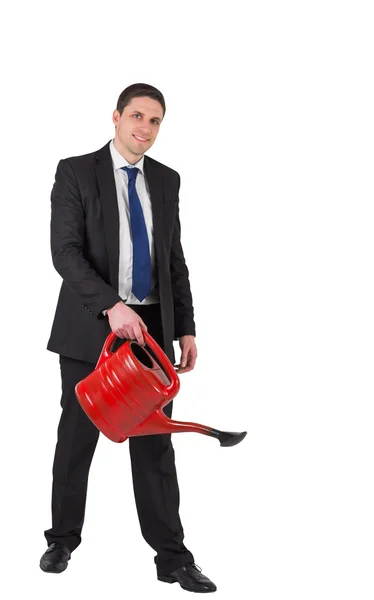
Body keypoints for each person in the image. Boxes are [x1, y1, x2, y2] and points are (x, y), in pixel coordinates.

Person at [39, 83, 217, 593]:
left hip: (151, 333)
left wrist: (185, 325)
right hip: (91, 325)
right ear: (116, 116)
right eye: (137, 116)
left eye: (156, 121)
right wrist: (112, 307)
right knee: (77, 437)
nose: (145, 127)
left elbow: (172, 259)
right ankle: (62, 540)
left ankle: (172, 557)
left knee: (155, 445)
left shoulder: (167, 180)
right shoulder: (75, 171)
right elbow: (65, 251)